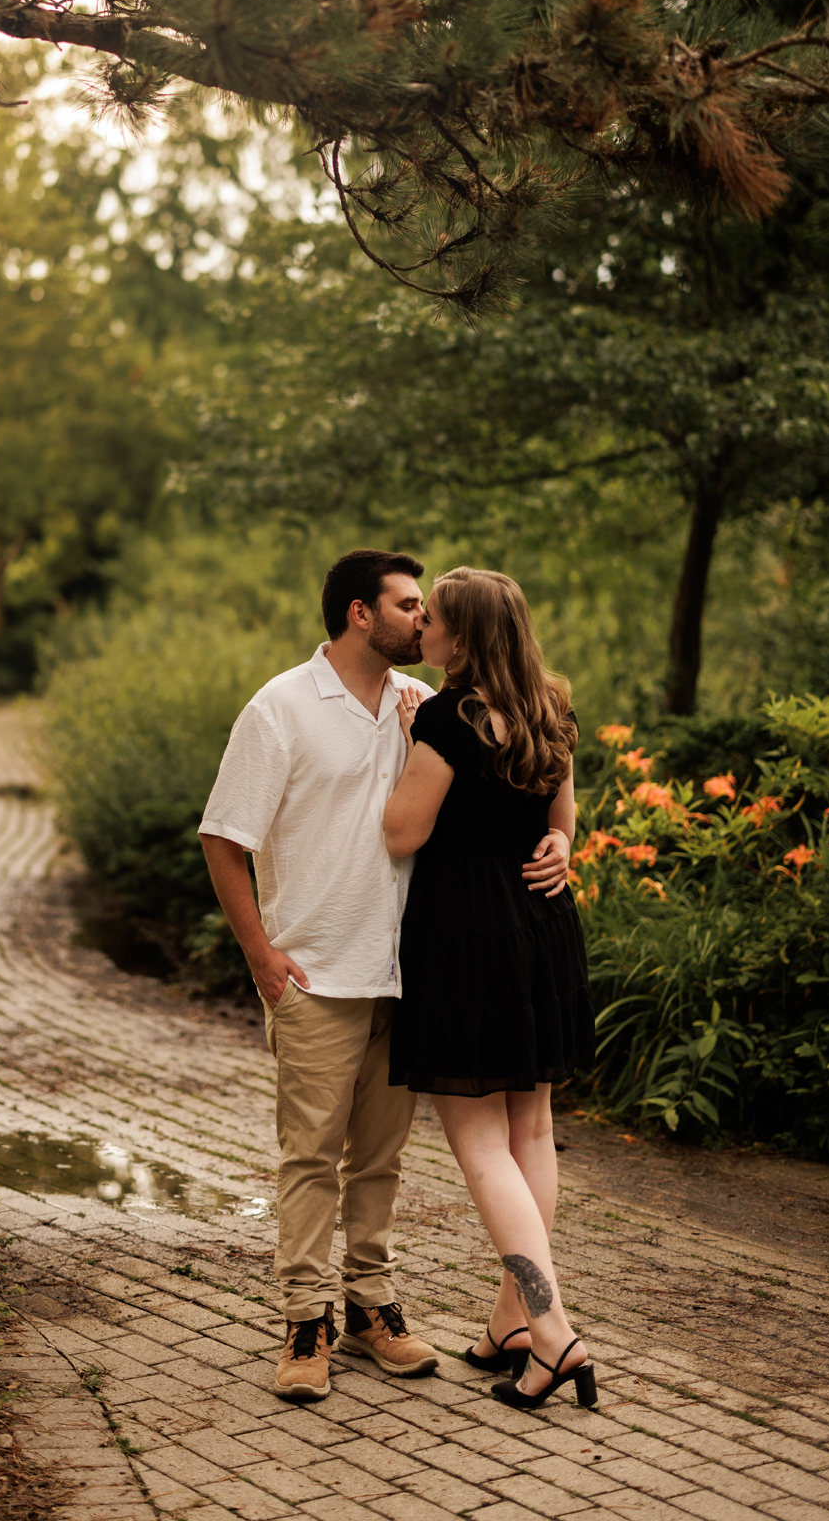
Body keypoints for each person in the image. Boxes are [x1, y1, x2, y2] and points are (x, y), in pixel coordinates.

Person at [199, 548, 446, 1403]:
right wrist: (264, 960)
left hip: (402, 974)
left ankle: (371, 1304)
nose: (425, 618)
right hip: (314, 976)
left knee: (379, 1160)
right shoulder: (281, 708)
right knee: (310, 1158)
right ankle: (306, 1320)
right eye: (410, 604)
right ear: (358, 613)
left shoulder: (421, 706)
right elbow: (224, 837)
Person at [383, 566, 599, 1413]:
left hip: (467, 932)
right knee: (532, 1128)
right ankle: (511, 1322)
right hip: (541, 924)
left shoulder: (445, 717)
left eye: (431, 620)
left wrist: (412, 745)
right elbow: (561, 824)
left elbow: (403, 833)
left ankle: (551, 1332)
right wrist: (562, 850)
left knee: (479, 1144)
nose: (421, 630)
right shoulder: (549, 707)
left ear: (461, 639)